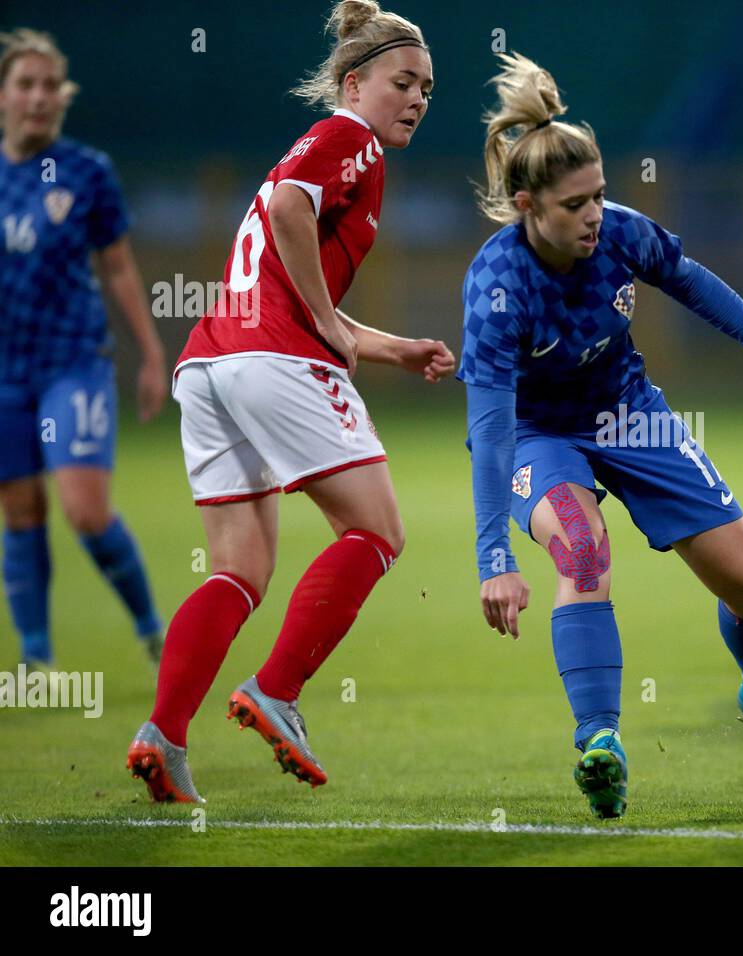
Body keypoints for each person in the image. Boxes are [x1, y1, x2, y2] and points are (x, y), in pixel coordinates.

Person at [461, 52, 743, 819]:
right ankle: (600, 743)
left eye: (598, 195)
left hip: (628, 411)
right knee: (584, 551)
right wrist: (494, 553)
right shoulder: (497, 288)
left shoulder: (620, 233)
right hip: (537, 435)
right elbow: (491, 425)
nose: (594, 214)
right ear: (526, 204)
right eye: (573, 204)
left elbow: (687, 277)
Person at [126, 0, 454, 804]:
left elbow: (285, 254)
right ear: (353, 83)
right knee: (376, 530)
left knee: (239, 567)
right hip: (272, 357)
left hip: (211, 362)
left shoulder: (325, 151)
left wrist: (387, 346)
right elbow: (287, 214)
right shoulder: (351, 138)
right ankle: (276, 690)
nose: (416, 99)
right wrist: (320, 323)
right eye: (401, 82)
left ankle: (163, 735)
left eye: (427, 89)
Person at [0, 29, 166, 668]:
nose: (39, 97)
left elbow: (118, 267)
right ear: (5, 96)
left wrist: (150, 353)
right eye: (26, 85)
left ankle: (152, 628)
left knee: (85, 510)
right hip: (7, 374)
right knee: (20, 508)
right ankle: (36, 658)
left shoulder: (87, 171)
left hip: (73, 361)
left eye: (50, 86)